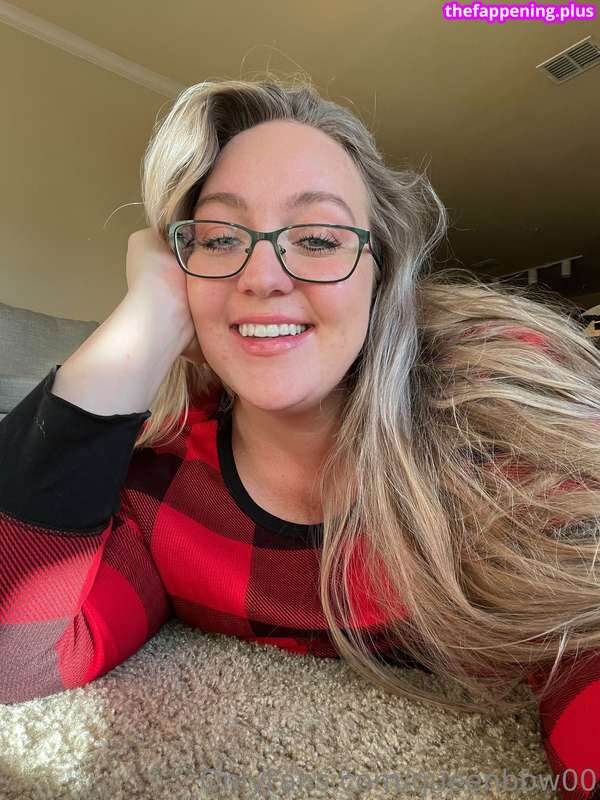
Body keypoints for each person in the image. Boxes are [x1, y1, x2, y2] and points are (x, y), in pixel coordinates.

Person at [1, 73, 600, 800]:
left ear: (381, 277)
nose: (262, 277)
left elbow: (584, 624)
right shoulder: (160, 489)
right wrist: (142, 324)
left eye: (317, 238)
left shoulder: (495, 416)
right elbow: (15, 654)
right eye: (219, 239)